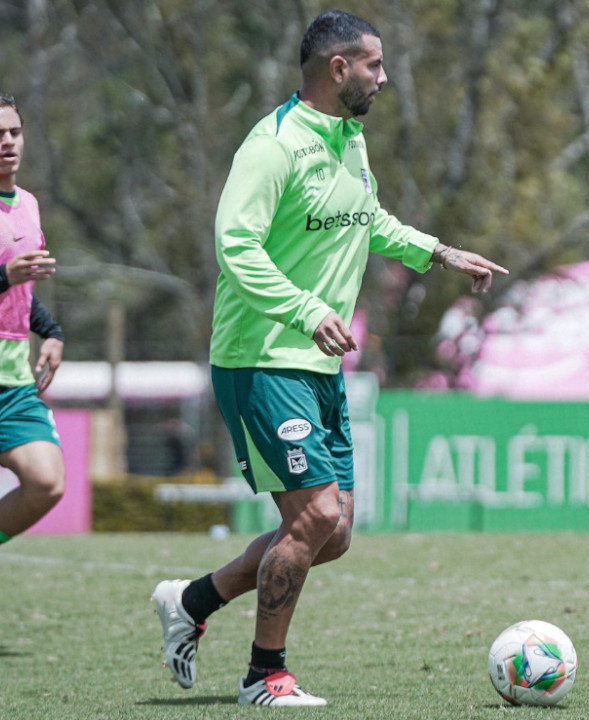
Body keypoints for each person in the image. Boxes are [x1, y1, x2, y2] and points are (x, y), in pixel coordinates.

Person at [151, 10, 507, 708]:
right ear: (337, 68)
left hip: (317, 365)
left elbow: (368, 219)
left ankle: (192, 599)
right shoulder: (272, 145)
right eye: (373, 64)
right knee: (313, 519)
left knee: (333, 533)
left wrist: (437, 252)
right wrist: (308, 311)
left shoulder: (351, 140)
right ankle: (264, 674)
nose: (384, 76)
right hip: (262, 355)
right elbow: (237, 247)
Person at [0, 94, 67, 548]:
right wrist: (5, 274)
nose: (8, 143)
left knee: (47, 481)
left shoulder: (28, 204)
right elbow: (11, 277)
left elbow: (23, 293)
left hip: (13, 379)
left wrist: (53, 333)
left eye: (14, 132)